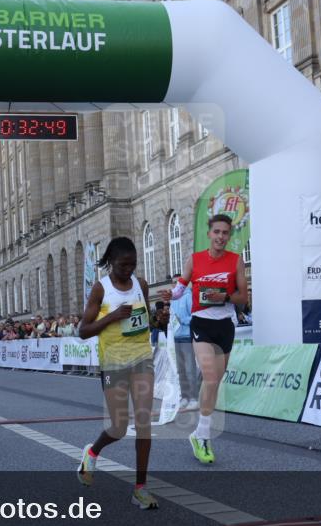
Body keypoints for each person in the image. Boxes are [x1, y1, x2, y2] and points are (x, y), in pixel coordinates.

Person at [76, 237, 157, 510]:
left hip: (142, 358)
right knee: (119, 428)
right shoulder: (101, 289)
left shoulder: (141, 284)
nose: (129, 270)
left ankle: (140, 488)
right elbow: (83, 331)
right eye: (124, 265)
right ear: (112, 263)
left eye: (133, 265)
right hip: (113, 362)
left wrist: (160, 318)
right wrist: (111, 317)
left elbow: (148, 319)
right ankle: (93, 451)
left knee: (144, 422)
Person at [161, 214, 248, 465]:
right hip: (202, 323)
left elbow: (243, 296)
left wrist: (226, 298)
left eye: (225, 233)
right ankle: (205, 435)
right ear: (209, 234)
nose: (221, 236)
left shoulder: (236, 261)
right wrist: (172, 294)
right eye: (216, 232)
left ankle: (199, 433)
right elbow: (180, 287)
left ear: (229, 236)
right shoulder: (194, 259)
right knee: (209, 376)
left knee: (214, 382)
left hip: (225, 325)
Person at [170, 278, 200, 412]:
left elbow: (194, 316)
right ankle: (185, 396)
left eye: (177, 282)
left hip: (187, 337)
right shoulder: (173, 299)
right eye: (173, 282)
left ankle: (194, 398)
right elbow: (172, 317)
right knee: (180, 369)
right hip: (176, 337)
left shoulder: (189, 296)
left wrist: (181, 320)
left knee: (189, 368)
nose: (175, 284)